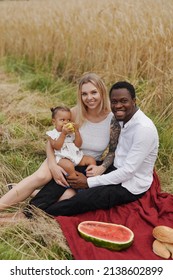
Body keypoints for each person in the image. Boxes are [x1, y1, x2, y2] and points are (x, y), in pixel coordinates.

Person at [22, 80, 159, 218]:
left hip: (129, 185)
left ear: (134, 101)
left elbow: (127, 172)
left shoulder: (143, 129)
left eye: (124, 101)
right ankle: (30, 208)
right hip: (115, 169)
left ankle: (34, 216)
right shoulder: (124, 118)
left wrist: (88, 182)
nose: (118, 106)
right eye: (114, 102)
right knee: (70, 173)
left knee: (83, 200)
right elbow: (114, 153)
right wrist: (100, 170)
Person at [0, 73, 120, 217]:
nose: (89, 98)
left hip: (83, 164)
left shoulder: (112, 120)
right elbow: (52, 140)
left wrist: (101, 167)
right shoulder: (75, 113)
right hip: (61, 155)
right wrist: (52, 164)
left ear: (102, 91)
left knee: (67, 197)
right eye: (84, 94)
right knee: (41, 177)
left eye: (94, 92)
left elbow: (113, 151)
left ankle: (28, 199)